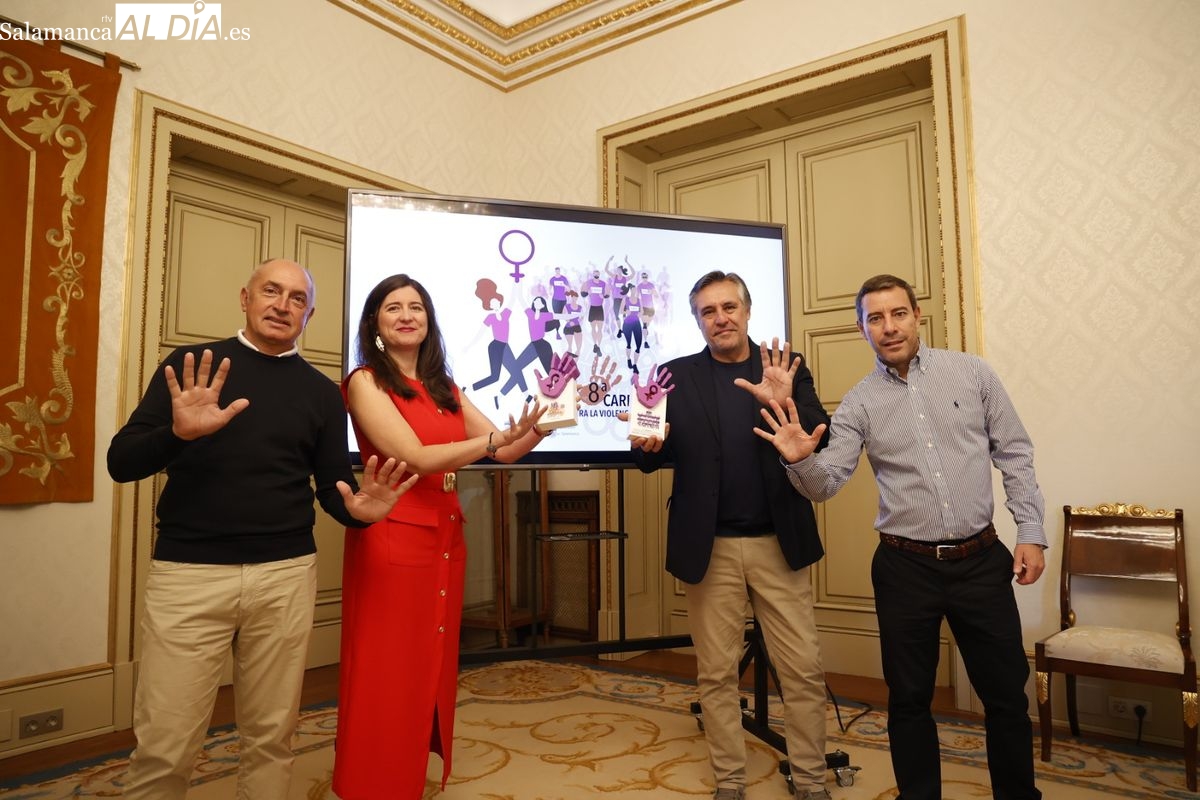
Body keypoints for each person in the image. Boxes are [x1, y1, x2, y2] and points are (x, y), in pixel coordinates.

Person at [107, 258, 413, 800]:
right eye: (271, 291)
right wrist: (179, 434)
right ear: (244, 298)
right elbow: (122, 462)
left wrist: (360, 513)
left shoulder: (322, 393)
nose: (282, 305)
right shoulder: (194, 366)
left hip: (285, 576)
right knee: (165, 743)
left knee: (272, 736)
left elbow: (332, 490)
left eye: (297, 298)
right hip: (189, 577)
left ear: (309, 314)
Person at [757, 273, 1047, 800]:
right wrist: (797, 458)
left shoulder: (972, 373)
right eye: (874, 318)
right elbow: (826, 484)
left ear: (916, 316)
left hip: (981, 561)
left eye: (897, 314)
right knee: (909, 699)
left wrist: (1030, 529)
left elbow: (1015, 452)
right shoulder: (859, 404)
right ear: (862, 329)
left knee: (1005, 696)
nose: (888, 327)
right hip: (904, 568)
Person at [333, 273, 551, 799]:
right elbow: (417, 458)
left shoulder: (444, 389)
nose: (407, 315)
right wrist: (498, 437)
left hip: (444, 534)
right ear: (375, 324)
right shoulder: (365, 381)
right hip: (393, 534)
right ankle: (369, 781)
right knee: (386, 667)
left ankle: (405, 776)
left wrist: (544, 422)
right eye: (393, 308)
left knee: (428, 666)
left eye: (417, 307)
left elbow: (502, 451)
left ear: (429, 322)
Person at [627, 270, 833, 800]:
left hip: (777, 543)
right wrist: (647, 447)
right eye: (708, 312)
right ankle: (730, 782)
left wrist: (783, 400)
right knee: (717, 676)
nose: (720, 318)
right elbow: (648, 449)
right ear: (698, 320)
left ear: (746, 310)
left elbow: (815, 434)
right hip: (709, 547)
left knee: (803, 672)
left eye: (728, 308)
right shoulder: (673, 374)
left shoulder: (784, 368)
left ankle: (810, 781)